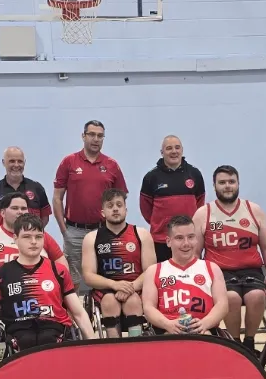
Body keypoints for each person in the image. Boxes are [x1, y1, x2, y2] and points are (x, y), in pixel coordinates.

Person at [0, 215, 95, 379]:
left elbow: (78, 313)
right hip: (19, 328)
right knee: (27, 340)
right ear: (15, 239)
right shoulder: (2, 274)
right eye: (27, 237)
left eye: (38, 237)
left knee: (47, 340)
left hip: (53, 327)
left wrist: (95, 345)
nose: (34, 242)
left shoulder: (57, 270)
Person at [193, 165, 266, 356]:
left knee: (257, 296)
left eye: (231, 182)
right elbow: (195, 253)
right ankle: (236, 344)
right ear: (214, 186)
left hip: (251, 271)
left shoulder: (253, 210)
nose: (227, 186)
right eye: (222, 182)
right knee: (231, 298)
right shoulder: (203, 213)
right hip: (219, 272)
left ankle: (249, 342)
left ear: (238, 184)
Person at [0, 192, 68, 316]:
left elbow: (61, 265)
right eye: (14, 208)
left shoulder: (41, 236)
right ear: (2, 213)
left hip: (40, 300)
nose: (20, 212)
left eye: (23, 208)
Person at [53, 120, 128, 291]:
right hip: (74, 231)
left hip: (104, 231)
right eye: (92, 135)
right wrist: (64, 229)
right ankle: (76, 315)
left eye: (100, 136)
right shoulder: (69, 162)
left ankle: (104, 313)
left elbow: (121, 199)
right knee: (73, 279)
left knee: (106, 274)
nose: (96, 139)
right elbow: (57, 198)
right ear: (83, 136)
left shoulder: (112, 165)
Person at [81, 189, 156, 337]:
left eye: (119, 205)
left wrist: (130, 287)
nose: (115, 208)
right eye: (110, 206)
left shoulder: (141, 234)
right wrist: (114, 285)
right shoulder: (91, 238)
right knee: (109, 301)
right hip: (106, 289)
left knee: (133, 301)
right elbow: (88, 276)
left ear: (126, 210)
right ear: (103, 212)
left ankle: (136, 345)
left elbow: (151, 271)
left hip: (135, 287)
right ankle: (113, 346)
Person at [141, 216, 229, 335]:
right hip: (166, 331)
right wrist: (168, 324)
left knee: (206, 335)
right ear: (168, 241)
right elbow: (148, 307)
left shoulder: (212, 268)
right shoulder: (154, 271)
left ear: (196, 239)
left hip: (204, 330)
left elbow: (222, 304)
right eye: (179, 238)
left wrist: (204, 324)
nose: (186, 243)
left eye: (191, 237)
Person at [140, 135, 205, 263]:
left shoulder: (194, 174)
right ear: (162, 152)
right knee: (163, 279)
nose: (174, 151)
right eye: (169, 148)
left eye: (177, 147)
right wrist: (161, 224)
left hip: (188, 240)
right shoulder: (151, 177)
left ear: (182, 150)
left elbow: (200, 204)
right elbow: (146, 209)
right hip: (161, 240)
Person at [0, 146, 51, 229]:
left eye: (20, 161)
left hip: (31, 240)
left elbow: (45, 217)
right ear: (3, 162)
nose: (16, 165)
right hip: (3, 241)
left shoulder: (37, 188)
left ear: (24, 163)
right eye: (12, 161)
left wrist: (33, 233)